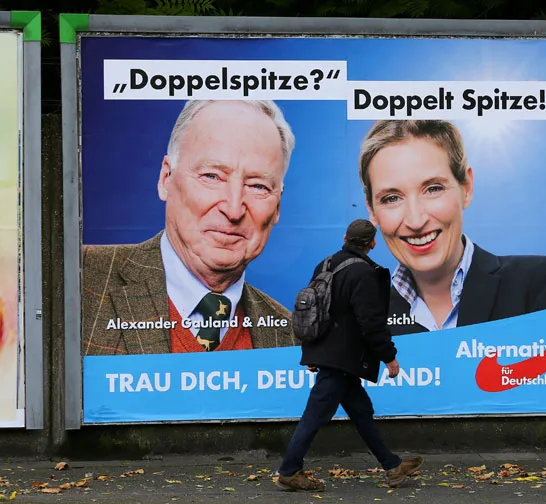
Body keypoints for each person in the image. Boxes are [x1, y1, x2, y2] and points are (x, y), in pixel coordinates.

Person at [81, 99, 297, 356]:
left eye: (258, 186)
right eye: (211, 176)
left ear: (277, 206)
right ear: (166, 179)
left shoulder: (291, 339)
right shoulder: (78, 279)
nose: (233, 209)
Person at [358, 120, 546, 335]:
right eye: (392, 198)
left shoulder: (535, 284)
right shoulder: (362, 318)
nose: (415, 221)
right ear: (371, 210)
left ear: (466, 188)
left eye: (433, 189)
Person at [276, 219, 424, 492]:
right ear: (373, 243)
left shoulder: (325, 265)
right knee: (315, 415)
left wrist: (312, 350)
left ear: (345, 238)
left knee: (361, 412)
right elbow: (371, 322)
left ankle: (392, 465)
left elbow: (311, 311)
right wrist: (388, 356)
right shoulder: (364, 273)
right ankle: (289, 471)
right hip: (342, 358)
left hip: (333, 355)